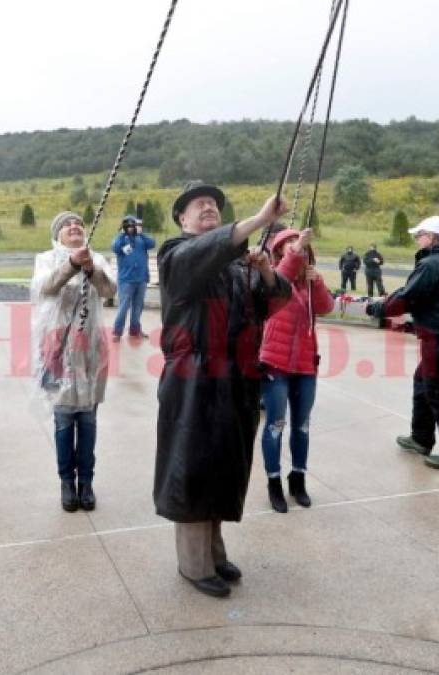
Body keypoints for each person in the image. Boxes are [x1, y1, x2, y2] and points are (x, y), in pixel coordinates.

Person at [154, 181, 291, 598]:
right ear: (182, 219)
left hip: (233, 380)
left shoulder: (234, 265)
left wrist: (265, 269)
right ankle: (192, 564)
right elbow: (204, 252)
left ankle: (213, 552)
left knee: (222, 465)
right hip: (192, 381)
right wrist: (261, 219)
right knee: (192, 468)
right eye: (199, 205)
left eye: (214, 204)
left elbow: (272, 303)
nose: (209, 207)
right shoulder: (175, 254)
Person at [366, 216, 439, 473]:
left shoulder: (433, 263)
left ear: (432, 237)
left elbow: (408, 296)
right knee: (424, 381)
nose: (416, 239)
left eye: (419, 234)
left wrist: (377, 308)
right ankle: (421, 438)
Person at [31, 212, 116, 512]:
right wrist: (72, 265)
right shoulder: (46, 258)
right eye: (67, 225)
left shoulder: (98, 258)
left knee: (89, 420)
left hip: (91, 351)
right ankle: (67, 482)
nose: (74, 226)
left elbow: (109, 290)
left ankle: (87, 483)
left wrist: (91, 269)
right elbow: (45, 287)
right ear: (58, 234)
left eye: (78, 223)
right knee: (65, 420)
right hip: (58, 350)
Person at [258, 227, 334, 512]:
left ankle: (298, 477)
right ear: (280, 252)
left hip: (305, 366)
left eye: (301, 245)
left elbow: (326, 308)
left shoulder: (308, 282)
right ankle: (274, 481)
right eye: (289, 244)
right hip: (274, 365)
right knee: (276, 425)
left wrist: (317, 283)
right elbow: (281, 282)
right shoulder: (274, 278)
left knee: (301, 426)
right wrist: (296, 249)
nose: (297, 248)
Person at [110, 214, 156, 341]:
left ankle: (135, 330)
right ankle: (117, 332)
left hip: (141, 278)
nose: (131, 228)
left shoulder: (141, 239)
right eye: (128, 225)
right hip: (126, 280)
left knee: (138, 306)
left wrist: (141, 233)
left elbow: (152, 243)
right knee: (123, 306)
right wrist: (121, 234)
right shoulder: (120, 240)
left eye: (133, 225)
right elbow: (115, 248)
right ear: (124, 226)